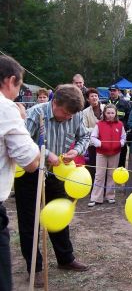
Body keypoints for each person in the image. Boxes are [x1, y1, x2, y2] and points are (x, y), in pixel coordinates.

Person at [14, 84, 90, 288]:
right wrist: (47, 154)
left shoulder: (75, 115)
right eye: (65, 113)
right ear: (54, 103)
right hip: (30, 172)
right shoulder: (34, 115)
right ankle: (35, 268)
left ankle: (66, 258)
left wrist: (77, 150)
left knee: (60, 214)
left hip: (58, 174)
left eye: (71, 115)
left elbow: (84, 136)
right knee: (30, 221)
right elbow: (23, 143)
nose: (68, 118)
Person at [0, 55, 40, 291]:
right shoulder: (7, 107)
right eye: (19, 86)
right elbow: (31, 162)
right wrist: (22, 120)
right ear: (10, 80)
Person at [88, 104, 126, 207]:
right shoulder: (99, 124)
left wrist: (120, 144)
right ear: (104, 113)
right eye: (108, 113)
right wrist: (100, 144)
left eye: (112, 113)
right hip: (101, 153)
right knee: (99, 175)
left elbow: (123, 137)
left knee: (111, 174)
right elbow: (93, 137)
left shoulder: (120, 124)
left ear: (115, 113)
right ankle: (96, 197)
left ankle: (110, 196)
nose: (110, 115)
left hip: (115, 152)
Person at [105, 84, 131, 168]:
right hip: (107, 135)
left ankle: (120, 173)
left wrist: (124, 129)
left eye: (114, 90)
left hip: (120, 134)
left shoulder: (125, 103)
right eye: (111, 90)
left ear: (119, 92)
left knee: (122, 155)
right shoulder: (105, 102)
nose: (112, 92)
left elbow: (129, 118)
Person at [82, 88, 105, 181]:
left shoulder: (106, 108)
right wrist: (97, 129)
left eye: (96, 95)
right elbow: (84, 128)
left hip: (106, 143)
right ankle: (93, 187)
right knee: (93, 165)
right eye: (92, 96)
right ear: (88, 99)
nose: (94, 98)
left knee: (104, 166)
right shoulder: (85, 112)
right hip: (92, 144)